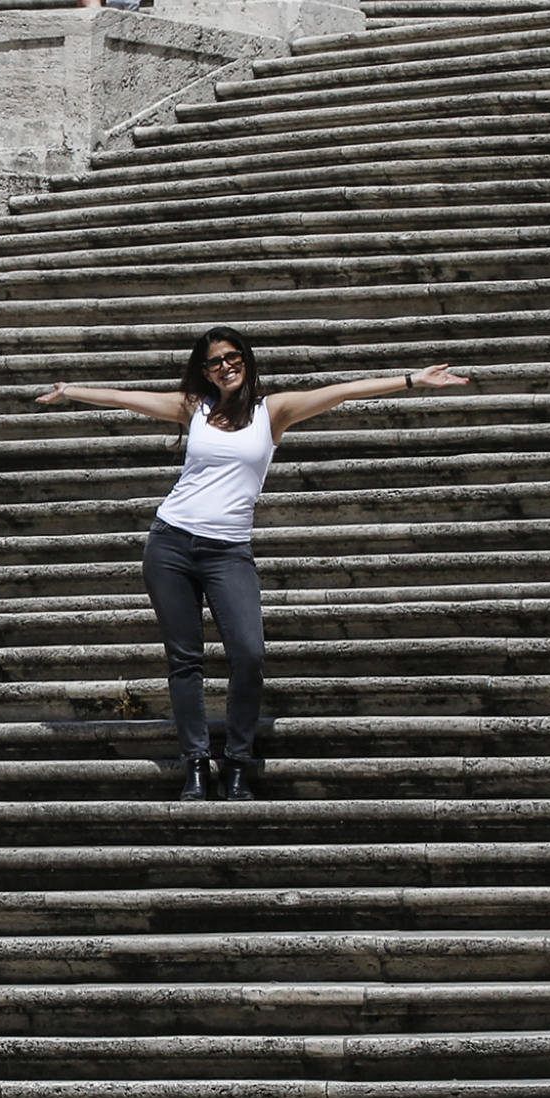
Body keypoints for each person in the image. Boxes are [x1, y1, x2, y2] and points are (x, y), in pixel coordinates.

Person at [38, 331, 469, 799]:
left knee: (249, 655)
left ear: (246, 359)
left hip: (228, 552)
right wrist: (72, 391)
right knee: (185, 662)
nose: (224, 366)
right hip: (170, 544)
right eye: (214, 363)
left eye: (231, 357)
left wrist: (411, 380)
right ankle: (197, 763)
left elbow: (340, 392)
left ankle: (238, 761)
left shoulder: (273, 411)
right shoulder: (194, 409)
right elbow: (130, 400)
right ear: (203, 372)